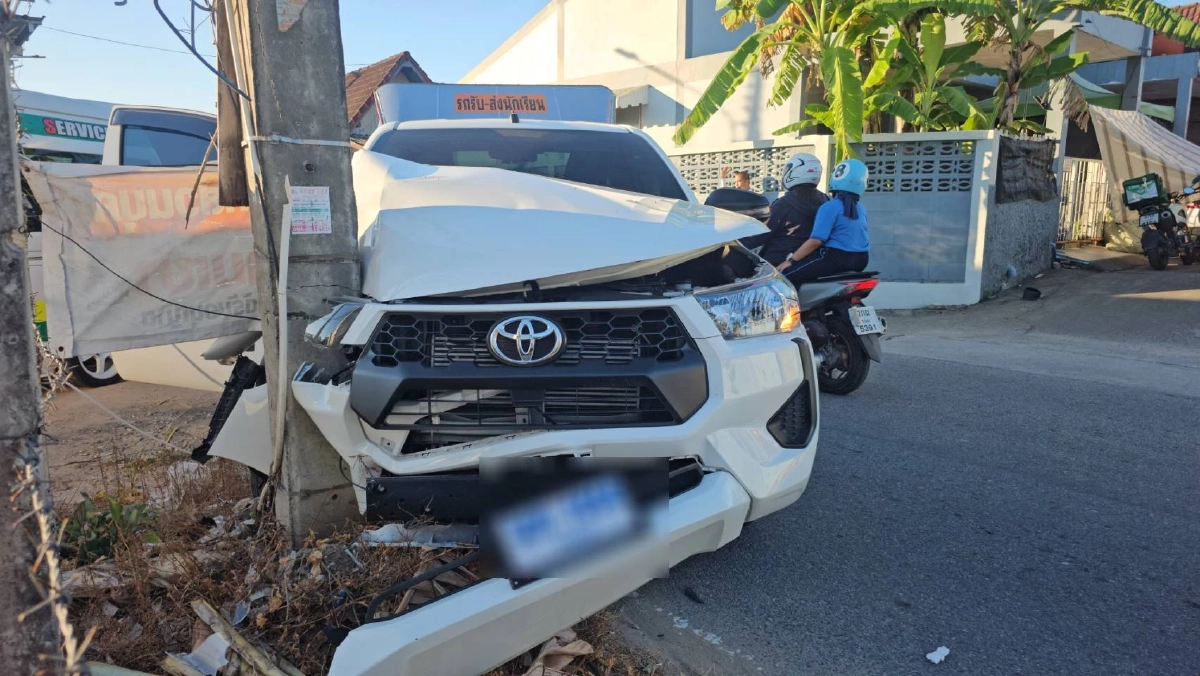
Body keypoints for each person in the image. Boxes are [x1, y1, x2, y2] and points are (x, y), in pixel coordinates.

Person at [777, 159, 870, 284]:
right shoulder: (861, 208)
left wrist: (790, 261)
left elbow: (815, 241)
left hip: (836, 258)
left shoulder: (830, 206)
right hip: (862, 259)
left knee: (785, 276)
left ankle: (791, 304)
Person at [740, 152, 828, 266]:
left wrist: (735, 242)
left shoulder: (785, 204)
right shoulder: (826, 200)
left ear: (794, 171)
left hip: (779, 265)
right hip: (812, 262)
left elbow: (760, 234)